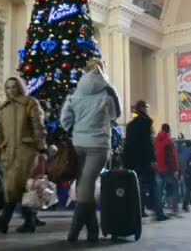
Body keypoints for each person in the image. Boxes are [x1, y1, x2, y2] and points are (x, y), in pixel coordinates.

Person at [61, 59, 120, 242]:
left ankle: (90, 231)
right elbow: (115, 115)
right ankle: (76, 232)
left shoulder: (75, 92)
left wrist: (77, 128)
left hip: (79, 144)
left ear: (85, 71)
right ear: (103, 70)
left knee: (83, 187)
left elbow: (65, 121)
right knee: (86, 188)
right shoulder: (108, 91)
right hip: (99, 145)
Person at [0, 77, 48, 234]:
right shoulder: (3, 108)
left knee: (15, 186)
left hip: (26, 151)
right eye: (7, 88)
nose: (11, 90)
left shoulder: (30, 103)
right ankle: (29, 222)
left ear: (19, 87)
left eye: (14, 87)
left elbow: (38, 126)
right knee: (18, 188)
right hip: (8, 153)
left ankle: (3, 222)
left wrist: (41, 147)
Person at [122, 100, 167, 221]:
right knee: (154, 185)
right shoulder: (146, 122)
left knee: (138, 187)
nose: (148, 109)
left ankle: (140, 210)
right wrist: (153, 160)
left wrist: (126, 162)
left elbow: (127, 144)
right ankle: (158, 212)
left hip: (133, 160)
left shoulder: (130, 125)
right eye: (146, 107)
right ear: (142, 108)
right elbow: (148, 144)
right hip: (145, 160)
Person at [155, 123, 180, 215]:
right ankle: (174, 206)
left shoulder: (157, 140)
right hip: (168, 168)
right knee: (175, 186)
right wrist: (175, 169)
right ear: (168, 130)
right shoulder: (168, 140)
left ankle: (158, 208)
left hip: (159, 168)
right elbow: (172, 156)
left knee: (160, 189)